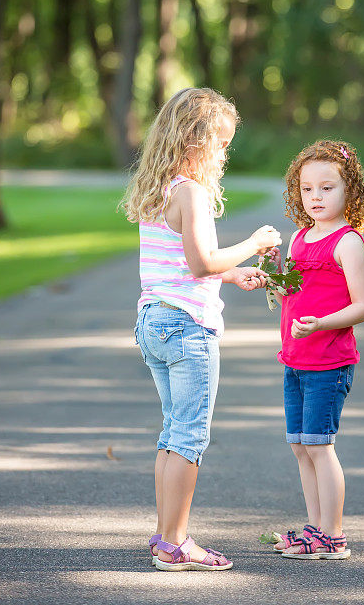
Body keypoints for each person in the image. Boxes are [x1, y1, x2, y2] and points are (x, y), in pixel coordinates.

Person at [123, 88, 281, 572]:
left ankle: (165, 535)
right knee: (189, 438)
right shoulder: (191, 192)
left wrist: (230, 275)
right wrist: (253, 244)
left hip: (154, 320)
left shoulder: (161, 188)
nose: (224, 154)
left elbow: (182, 264)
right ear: (197, 140)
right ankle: (176, 543)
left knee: (172, 435)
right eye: (221, 143)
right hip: (188, 328)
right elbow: (199, 262)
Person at [270, 139, 364, 559]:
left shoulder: (348, 242)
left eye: (327, 188)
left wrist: (323, 324)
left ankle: (334, 535)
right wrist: (272, 276)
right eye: (307, 188)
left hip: (329, 362)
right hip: (296, 361)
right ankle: (314, 529)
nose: (316, 196)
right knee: (300, 445)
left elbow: (363, 306)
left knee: (320, 444)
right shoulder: (298, 238)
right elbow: (291, 295)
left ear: (350, 190)